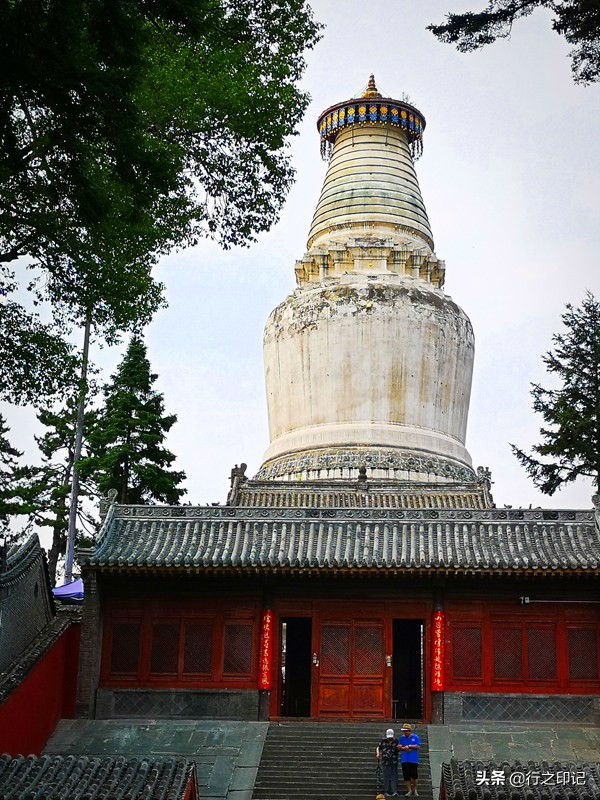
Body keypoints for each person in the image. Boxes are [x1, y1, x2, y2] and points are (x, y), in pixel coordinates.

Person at [397, 723, 420, 797]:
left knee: (414, 776)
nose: (404, 733)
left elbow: (417, 746)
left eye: (406, 731)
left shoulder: (415, 737)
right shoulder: (401, 738)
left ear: (409, 731)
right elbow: (399, 747)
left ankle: (414, 789)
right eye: (404, 731)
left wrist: (409, 746)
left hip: (413, 759)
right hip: (405, 759)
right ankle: (409, 790)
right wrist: (402, 748)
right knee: (406, 776)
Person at [376, 728, 399, 797]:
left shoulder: (396, 741)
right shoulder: (383, 741)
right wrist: (378, 754)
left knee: (394, 776)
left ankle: (394, 791)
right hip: (385, 761)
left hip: (394, 761)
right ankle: (386, 791)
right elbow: (378, 748)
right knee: (386, 776)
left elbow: (400, 748)